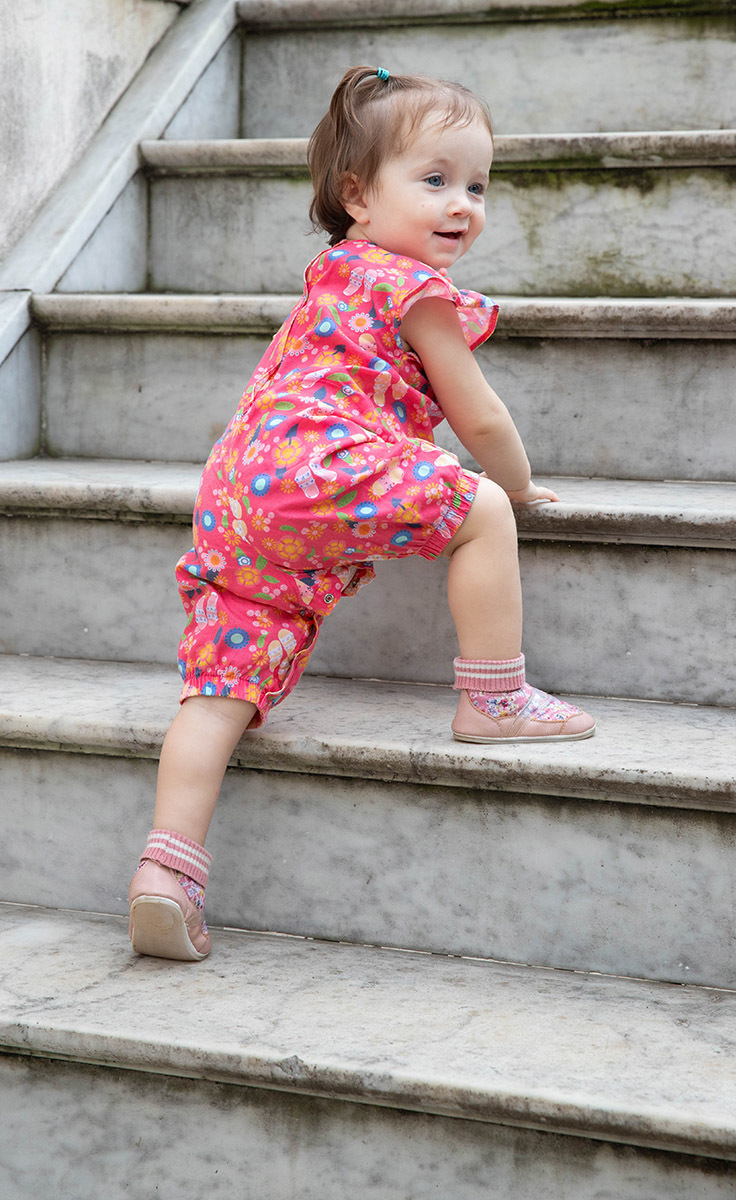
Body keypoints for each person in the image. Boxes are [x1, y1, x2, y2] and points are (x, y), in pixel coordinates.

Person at [128, 65, 596, 962]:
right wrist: (523, 489)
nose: (463, 204)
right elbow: (479, 413)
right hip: (325, 463)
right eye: (435, 180)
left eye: (477, 185)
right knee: (480, 508)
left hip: (241, 486)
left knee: (222, 687)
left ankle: (168, 872)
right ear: (356, 195)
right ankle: (494, 699)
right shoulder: (412, 288)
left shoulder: (334, 272)